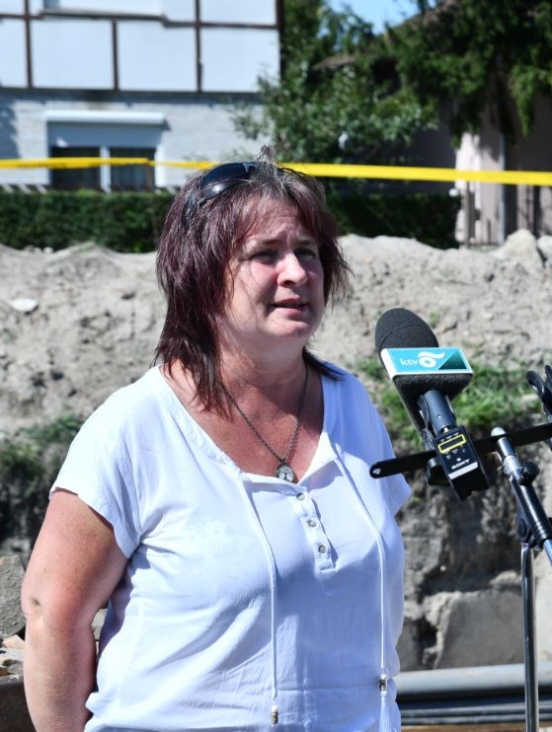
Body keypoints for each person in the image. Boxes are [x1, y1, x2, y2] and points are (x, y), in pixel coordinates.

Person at [20, 149, 411, 731]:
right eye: (265, 254)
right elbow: (52, 612)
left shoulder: (352, 404)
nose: (297, 273)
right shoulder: (136, 427)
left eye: (308, 252)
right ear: (202, 278)